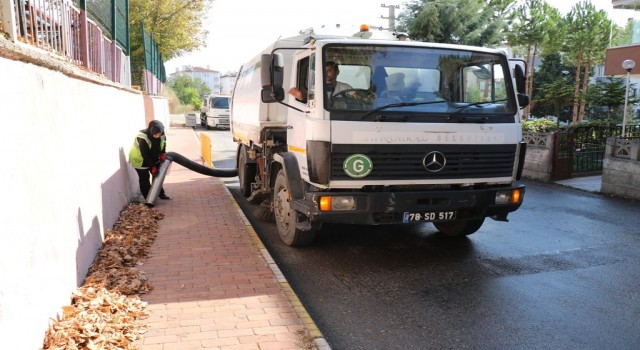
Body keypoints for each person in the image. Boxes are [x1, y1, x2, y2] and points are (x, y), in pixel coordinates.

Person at [129, 120, 171, 200]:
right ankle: (148, 199)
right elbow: (145, 155)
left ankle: (161, 194)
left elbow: (163, 143)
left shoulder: (162, 134)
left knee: (158, 176)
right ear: (151, 131)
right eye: (155, 134)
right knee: (145, 180)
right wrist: (153, 166)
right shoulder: (142, 138)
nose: (157, 136)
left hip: (153, 157)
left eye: (159, 134)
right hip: (140, 160)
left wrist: (163, 153)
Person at [288, 61, 353, 102]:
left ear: (337, 72)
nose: (325, 73)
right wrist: (302, 96)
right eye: (324, 71)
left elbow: (358, 97)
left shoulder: (345, 87)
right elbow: (309, 97)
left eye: (329, 71)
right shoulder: (316, 87)